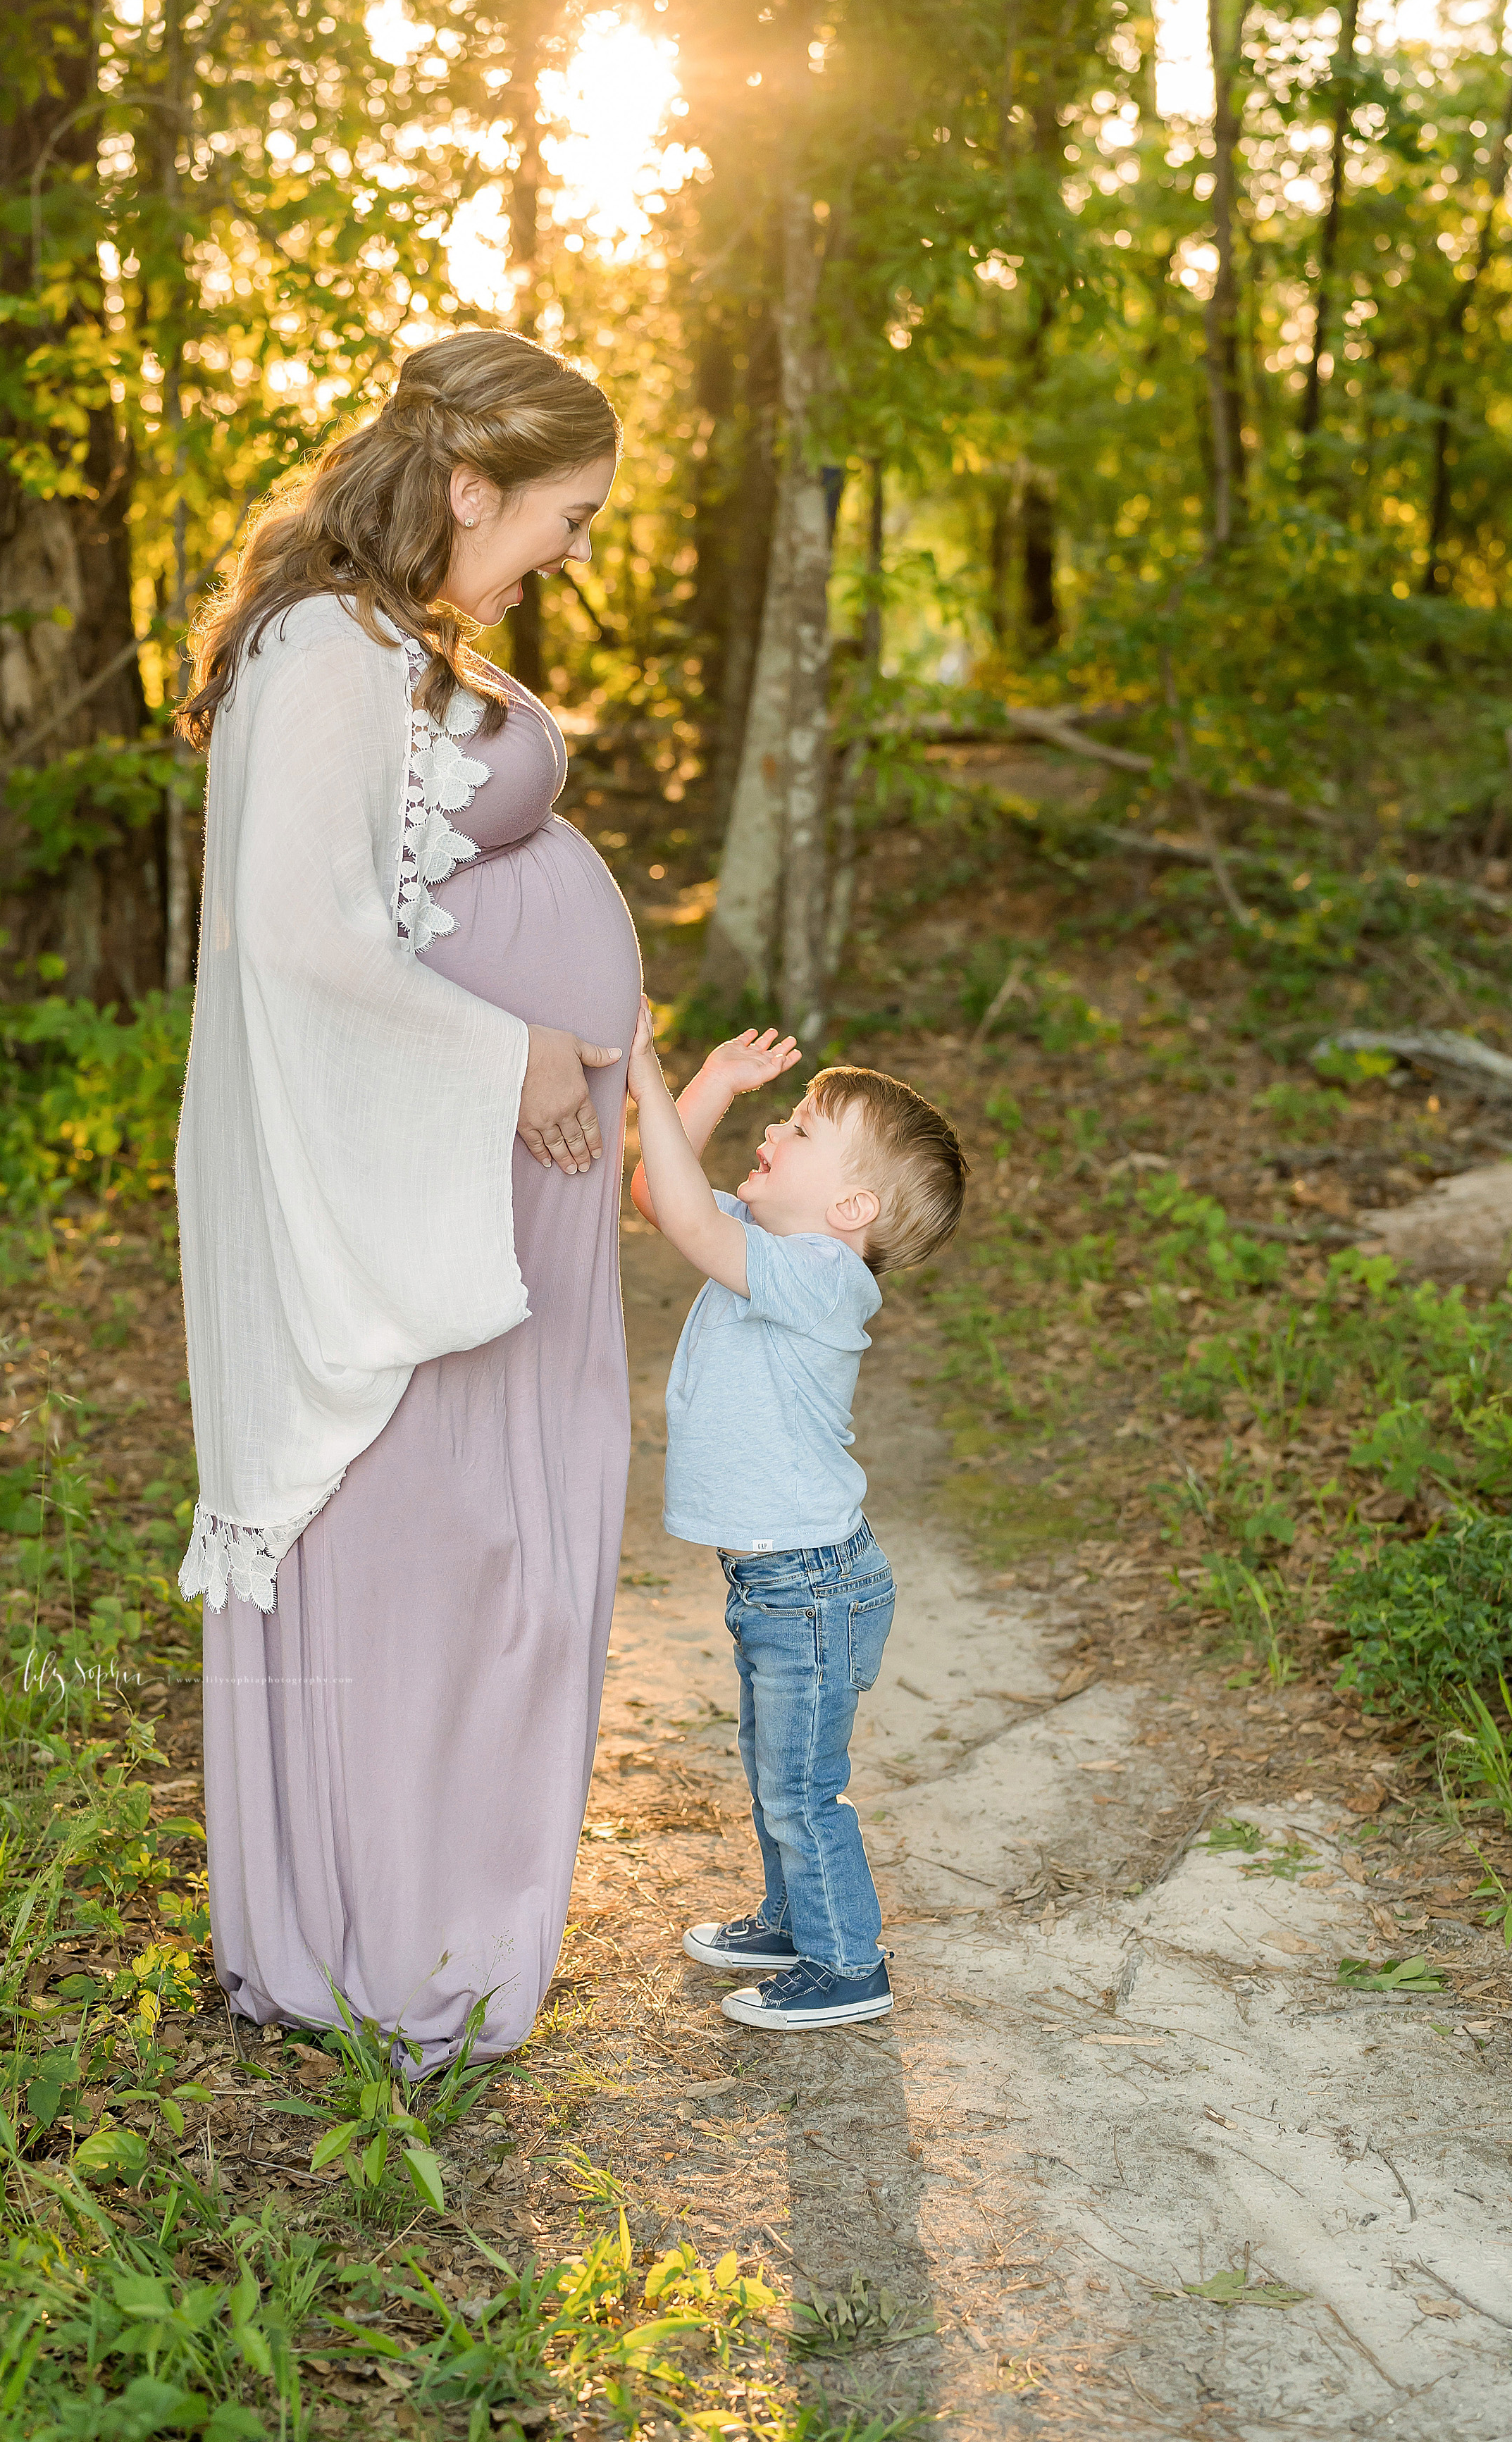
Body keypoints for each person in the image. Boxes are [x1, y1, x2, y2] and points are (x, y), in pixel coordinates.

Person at [173, 329, 642, 2065]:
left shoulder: (393, 638)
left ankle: (446, 1903)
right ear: (467, 488)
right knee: (417, 1537)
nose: (574, 552)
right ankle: (373, 1935)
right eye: (565, 517)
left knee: (497, 1537)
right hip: (420, 1175)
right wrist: (507, 1047)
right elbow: (295, 934)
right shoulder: (318, 649)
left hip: (497, 1177)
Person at [626, 1011, 967, 2031]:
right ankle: (794, 1918)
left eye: (805, 1129)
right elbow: (654, 1189)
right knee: (773, 1766)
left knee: (802, 1785)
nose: (778, 1126)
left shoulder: (824, 1276)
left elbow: (686, 1218)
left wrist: (644, 1066)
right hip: (779, 1580)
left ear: (852, 1204)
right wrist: (710, 1084)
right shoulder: (769, 1235)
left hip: (810, 1583)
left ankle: (845, 1964)